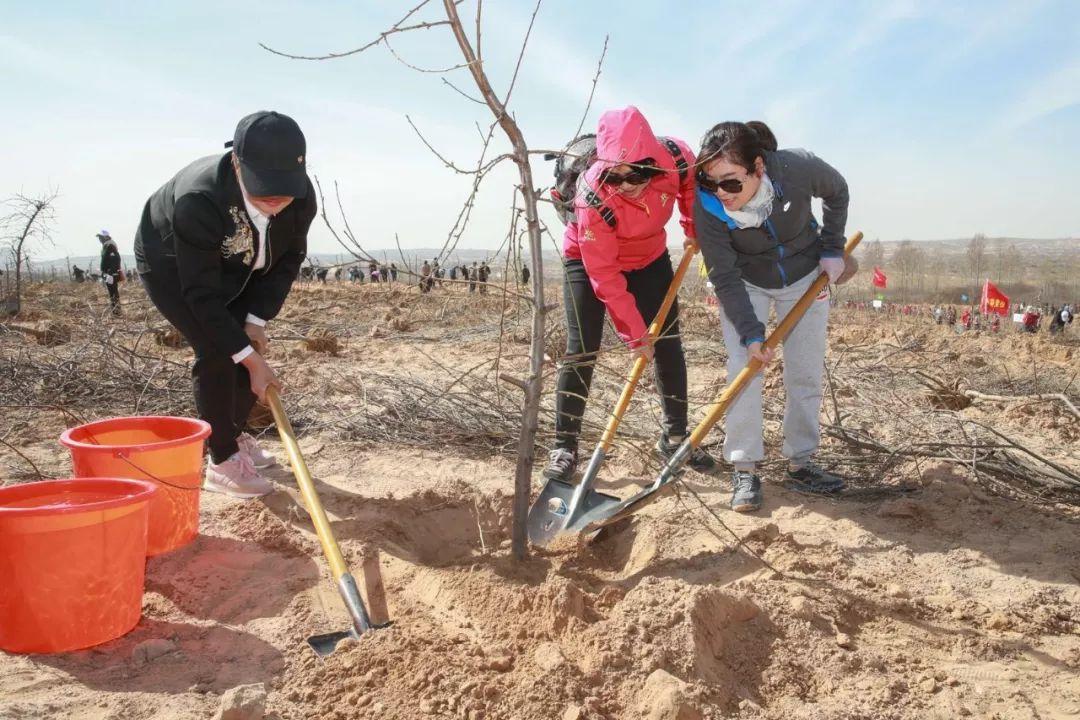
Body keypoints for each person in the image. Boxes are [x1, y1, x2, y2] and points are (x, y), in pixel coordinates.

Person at [134, 110, 316, 498]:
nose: (275, 199)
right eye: (263, 187)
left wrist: (256, 321)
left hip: (244, 264)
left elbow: (287, 260)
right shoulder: (199, 199)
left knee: (246, 343)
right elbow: (201, 296)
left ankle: (233, 434)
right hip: (174, 265)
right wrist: (249, 359)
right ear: (237, 162)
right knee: (218, 348)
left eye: (283, 187)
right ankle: (221, 459)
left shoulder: (300, 199)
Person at [544, 106, 717, 483]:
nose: (626, 184)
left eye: (636, 173)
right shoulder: (591, 199)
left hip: (650, 257)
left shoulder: (677, 158)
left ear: (652, 161)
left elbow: (690, 188)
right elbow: (604, 275)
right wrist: (634, 335)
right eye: (614, 176)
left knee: (668, 342)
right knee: (582, 347)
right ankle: (565, 446)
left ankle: (675, 436)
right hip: (589, 260)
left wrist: (691, 226)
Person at [695, 120, 853, 512]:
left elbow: (838, 191)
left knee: (805, 370)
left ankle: (802, 462)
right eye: (710, 182)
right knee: (743, 369)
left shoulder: (798, 168)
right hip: (746, 282)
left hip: (804, 277)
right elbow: (724, 276)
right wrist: (751, 334)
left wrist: (832, 248)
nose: (721, 193)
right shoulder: (708, 207)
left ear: (759, 167)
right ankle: (745, 468)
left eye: (732, 182)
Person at [98, 230, 122, 315]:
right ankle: (115, 310)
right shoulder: (107, 245)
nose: (99, 239)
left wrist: (111, 273)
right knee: (112, 292)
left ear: (105, 237)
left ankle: (116, 311)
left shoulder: (110, 245)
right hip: (108, 274)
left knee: (113, 292)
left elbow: (115, 259)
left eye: (100, 237)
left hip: (111, 274)